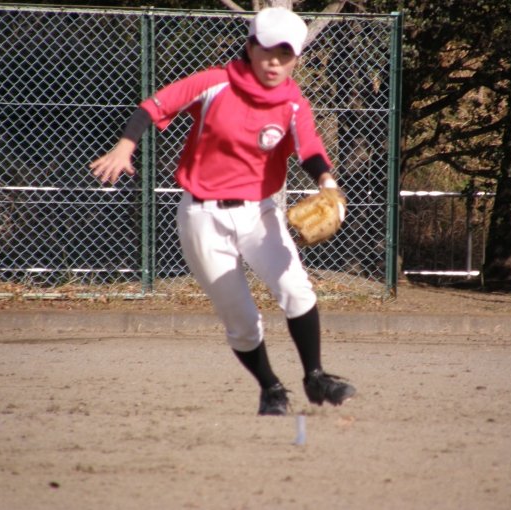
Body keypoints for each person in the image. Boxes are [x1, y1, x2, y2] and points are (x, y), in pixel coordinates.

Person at [89, 7, 356, 416]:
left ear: (296, 59)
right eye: (266, 50)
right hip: (203, 218)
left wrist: (327, 181)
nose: (274, 62)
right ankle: (271, 387)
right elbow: (153, 106)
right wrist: (125, 147)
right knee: (242, 321)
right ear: (250, 48)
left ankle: (315, 376)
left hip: (259, 213)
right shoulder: (215, 83)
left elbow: (310, 149)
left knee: (296, 289)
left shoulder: (293, 104)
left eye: (285, 54)